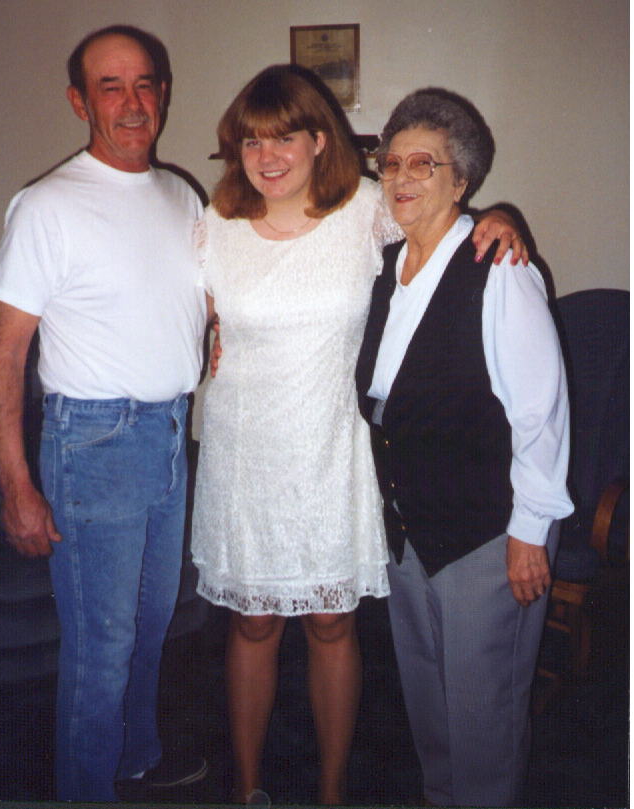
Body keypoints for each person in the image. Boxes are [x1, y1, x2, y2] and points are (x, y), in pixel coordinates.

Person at [190, 65, 527, 806]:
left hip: (332, 451)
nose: (266, 154)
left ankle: (333, 792)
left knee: (332, 623)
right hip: (245, 454)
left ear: (319, 140)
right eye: (251, 139)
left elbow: (438, 224)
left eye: (284, 137)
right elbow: (175, 317)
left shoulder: (364, 209)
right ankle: (248, 789)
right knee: (251, 627)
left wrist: (499, 217)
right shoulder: (213, 224)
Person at [0, 25, 208, 802]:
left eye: (145, 83)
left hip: (171, 433)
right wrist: (16, 483)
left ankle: (132, 755)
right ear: (80, 101)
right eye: (110, 87)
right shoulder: (47, 205)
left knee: (150, 628)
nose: (132, 102)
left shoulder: (184, 194)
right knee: (100, 645)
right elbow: (6, 353)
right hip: (94, 443)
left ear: (164, 93)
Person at [356, 88, 574, 807]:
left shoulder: (497, 267)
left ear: (463, 178)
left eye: (425, 162)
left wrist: (529, 533)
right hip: (410, 535)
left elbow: (540, 410)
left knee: (483, 728)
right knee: (432, 723)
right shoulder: (387, 270)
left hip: (485, 541)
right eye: (391, 162)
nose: (401, 177)